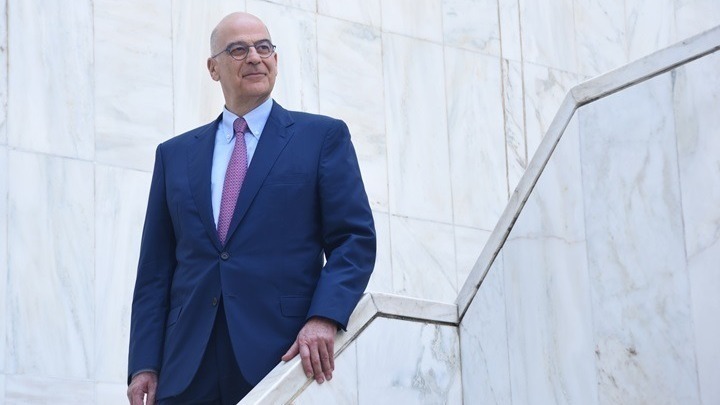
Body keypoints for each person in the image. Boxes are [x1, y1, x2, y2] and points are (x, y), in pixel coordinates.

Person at [126, 12, 376, 405]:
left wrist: (324, 316)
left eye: (264, 47)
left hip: (281, 356)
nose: (255, 57)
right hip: (186, 365)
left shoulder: (321, 138)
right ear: (213, 68)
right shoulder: (174, 155)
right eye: (238, 50)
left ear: (276, 59)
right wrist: (144, 363)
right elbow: (155, 271)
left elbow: (354, 240)